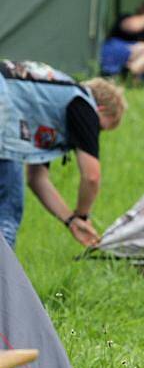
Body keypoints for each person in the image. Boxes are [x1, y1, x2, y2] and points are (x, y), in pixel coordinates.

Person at [0, 60, 127, 248]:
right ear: (100, 110)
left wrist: (71, 221)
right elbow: (92, 176)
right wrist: (83, 215)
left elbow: (37, 179)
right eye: (99, 128)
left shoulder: (52, 102)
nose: (92, 134)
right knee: (7, 216)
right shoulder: (82, 103)